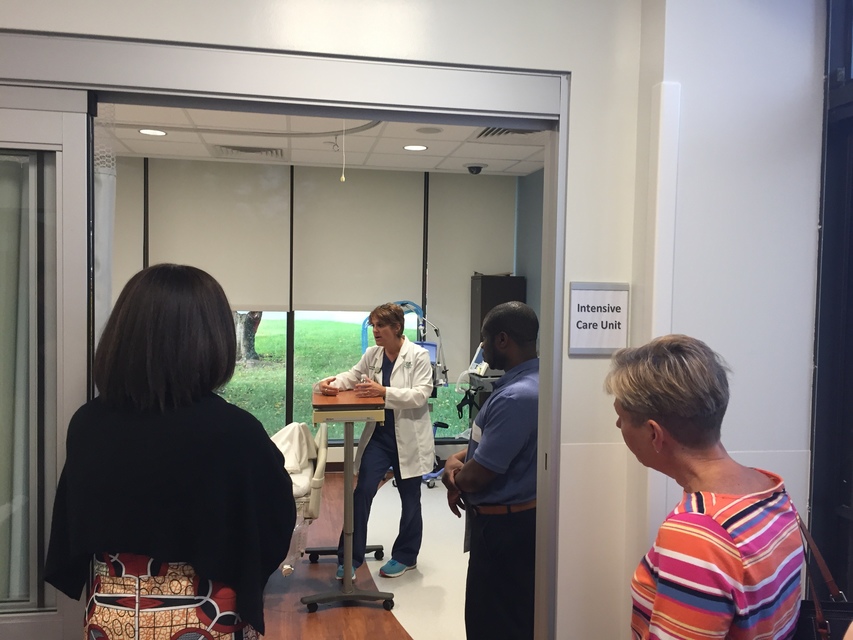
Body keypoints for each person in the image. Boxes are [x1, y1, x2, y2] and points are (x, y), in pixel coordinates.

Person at [44, 264, 297, 640]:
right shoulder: (235, 432)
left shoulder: (87, 424)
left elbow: (74, 522)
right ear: (212, 339)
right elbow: (274, 522)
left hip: (110, 616)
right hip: (206, 616)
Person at [604, 334, 805, 639]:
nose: (618, 426)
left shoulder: (696, 535)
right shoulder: (770, 488)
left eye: (621, 417)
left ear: (654, 434)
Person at [441, 301, 539, 640]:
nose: (481, 348)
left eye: (483, 339)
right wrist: (457, 459)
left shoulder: (514, 399)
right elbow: (489, 447)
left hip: (503, 534)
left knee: (490, 624)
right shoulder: (537, 383)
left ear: (502, 340)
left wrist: (452, 476)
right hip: (518, 525)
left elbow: (478, 475)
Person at [315, 302, 434, 579]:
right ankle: (350, 557)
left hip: (409, 439)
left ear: (397, 327)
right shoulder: (373, 354)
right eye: (373, 325)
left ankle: (406, 556)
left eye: (380, 325)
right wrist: (329, 383)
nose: (375, 330)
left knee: (410, 499)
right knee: (363, 492)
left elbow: (420, 395)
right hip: (380, 437)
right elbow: (352, 376)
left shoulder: (418, 356)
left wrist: (383, 391)